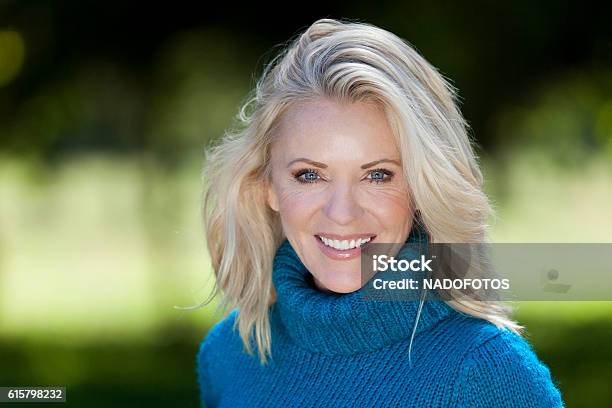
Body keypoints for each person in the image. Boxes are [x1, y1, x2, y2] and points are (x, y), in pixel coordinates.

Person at [196, 18, 564, 407]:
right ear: (268, 186)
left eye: (377, 175)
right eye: (309, 175)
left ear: (423, 187)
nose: (342, 213)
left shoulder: (484, 367)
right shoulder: (228, 356)